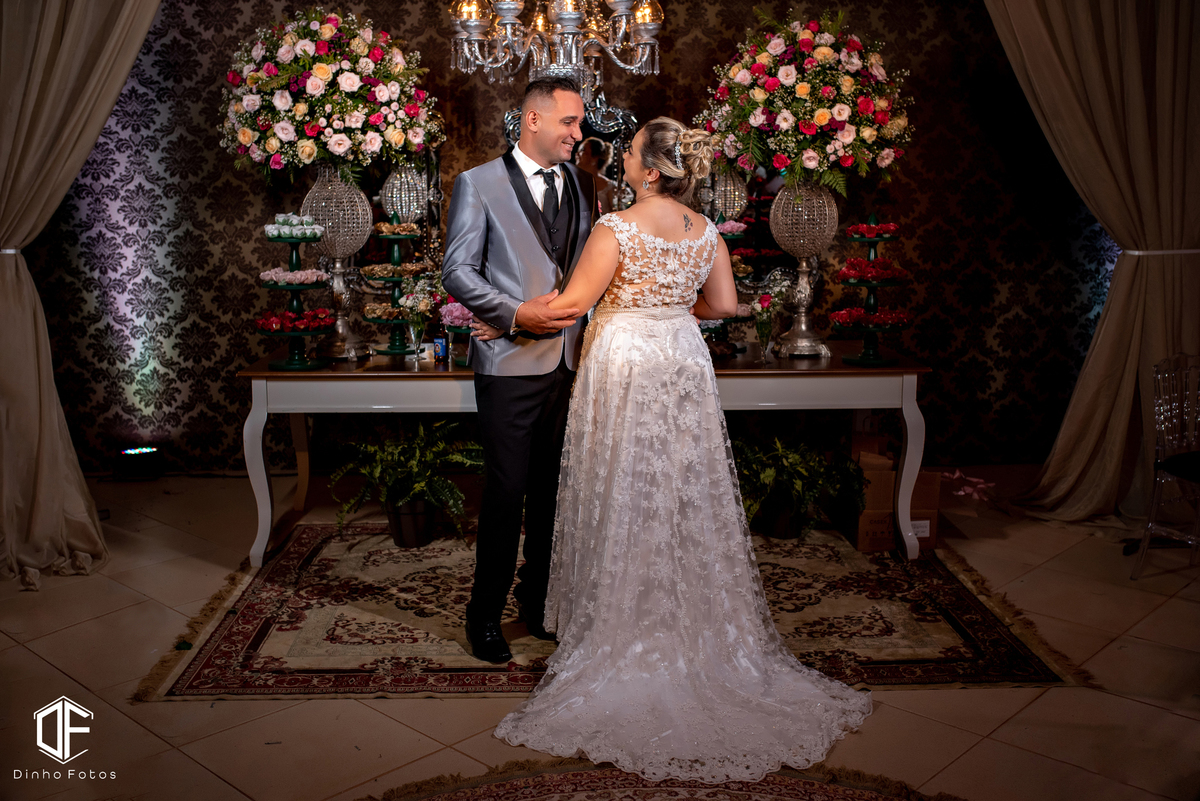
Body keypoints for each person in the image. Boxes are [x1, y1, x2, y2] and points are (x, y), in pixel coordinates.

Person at [481, 118, 873, 782]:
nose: (622, 159)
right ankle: (691, 622)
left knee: (624, 486)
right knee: (682, 490)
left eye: (631, 152)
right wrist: (671, 310)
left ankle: (624, 625)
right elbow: (722, 305)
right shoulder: (707, 231)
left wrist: (507, 314)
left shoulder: (615, 229)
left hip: (628, 361)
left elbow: (571, 305)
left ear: (650, 170)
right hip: (681, 360)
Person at [441, 77, 599, 664]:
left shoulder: (585, 184)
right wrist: (510, 314)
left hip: (570, 364)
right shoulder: (477, 183)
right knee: (506, 494)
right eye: (569, 122)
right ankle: (484, 616)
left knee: (554, 492)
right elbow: (457, 270)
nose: (578, 134)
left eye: (579, 122)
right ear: (533, 120)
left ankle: (538, 605)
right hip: (508, 365)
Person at [573, 137, 617, 214]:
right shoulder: (571, 182)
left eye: (582, 150)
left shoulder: (610, 187)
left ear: (595, 158)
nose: (577, 154)